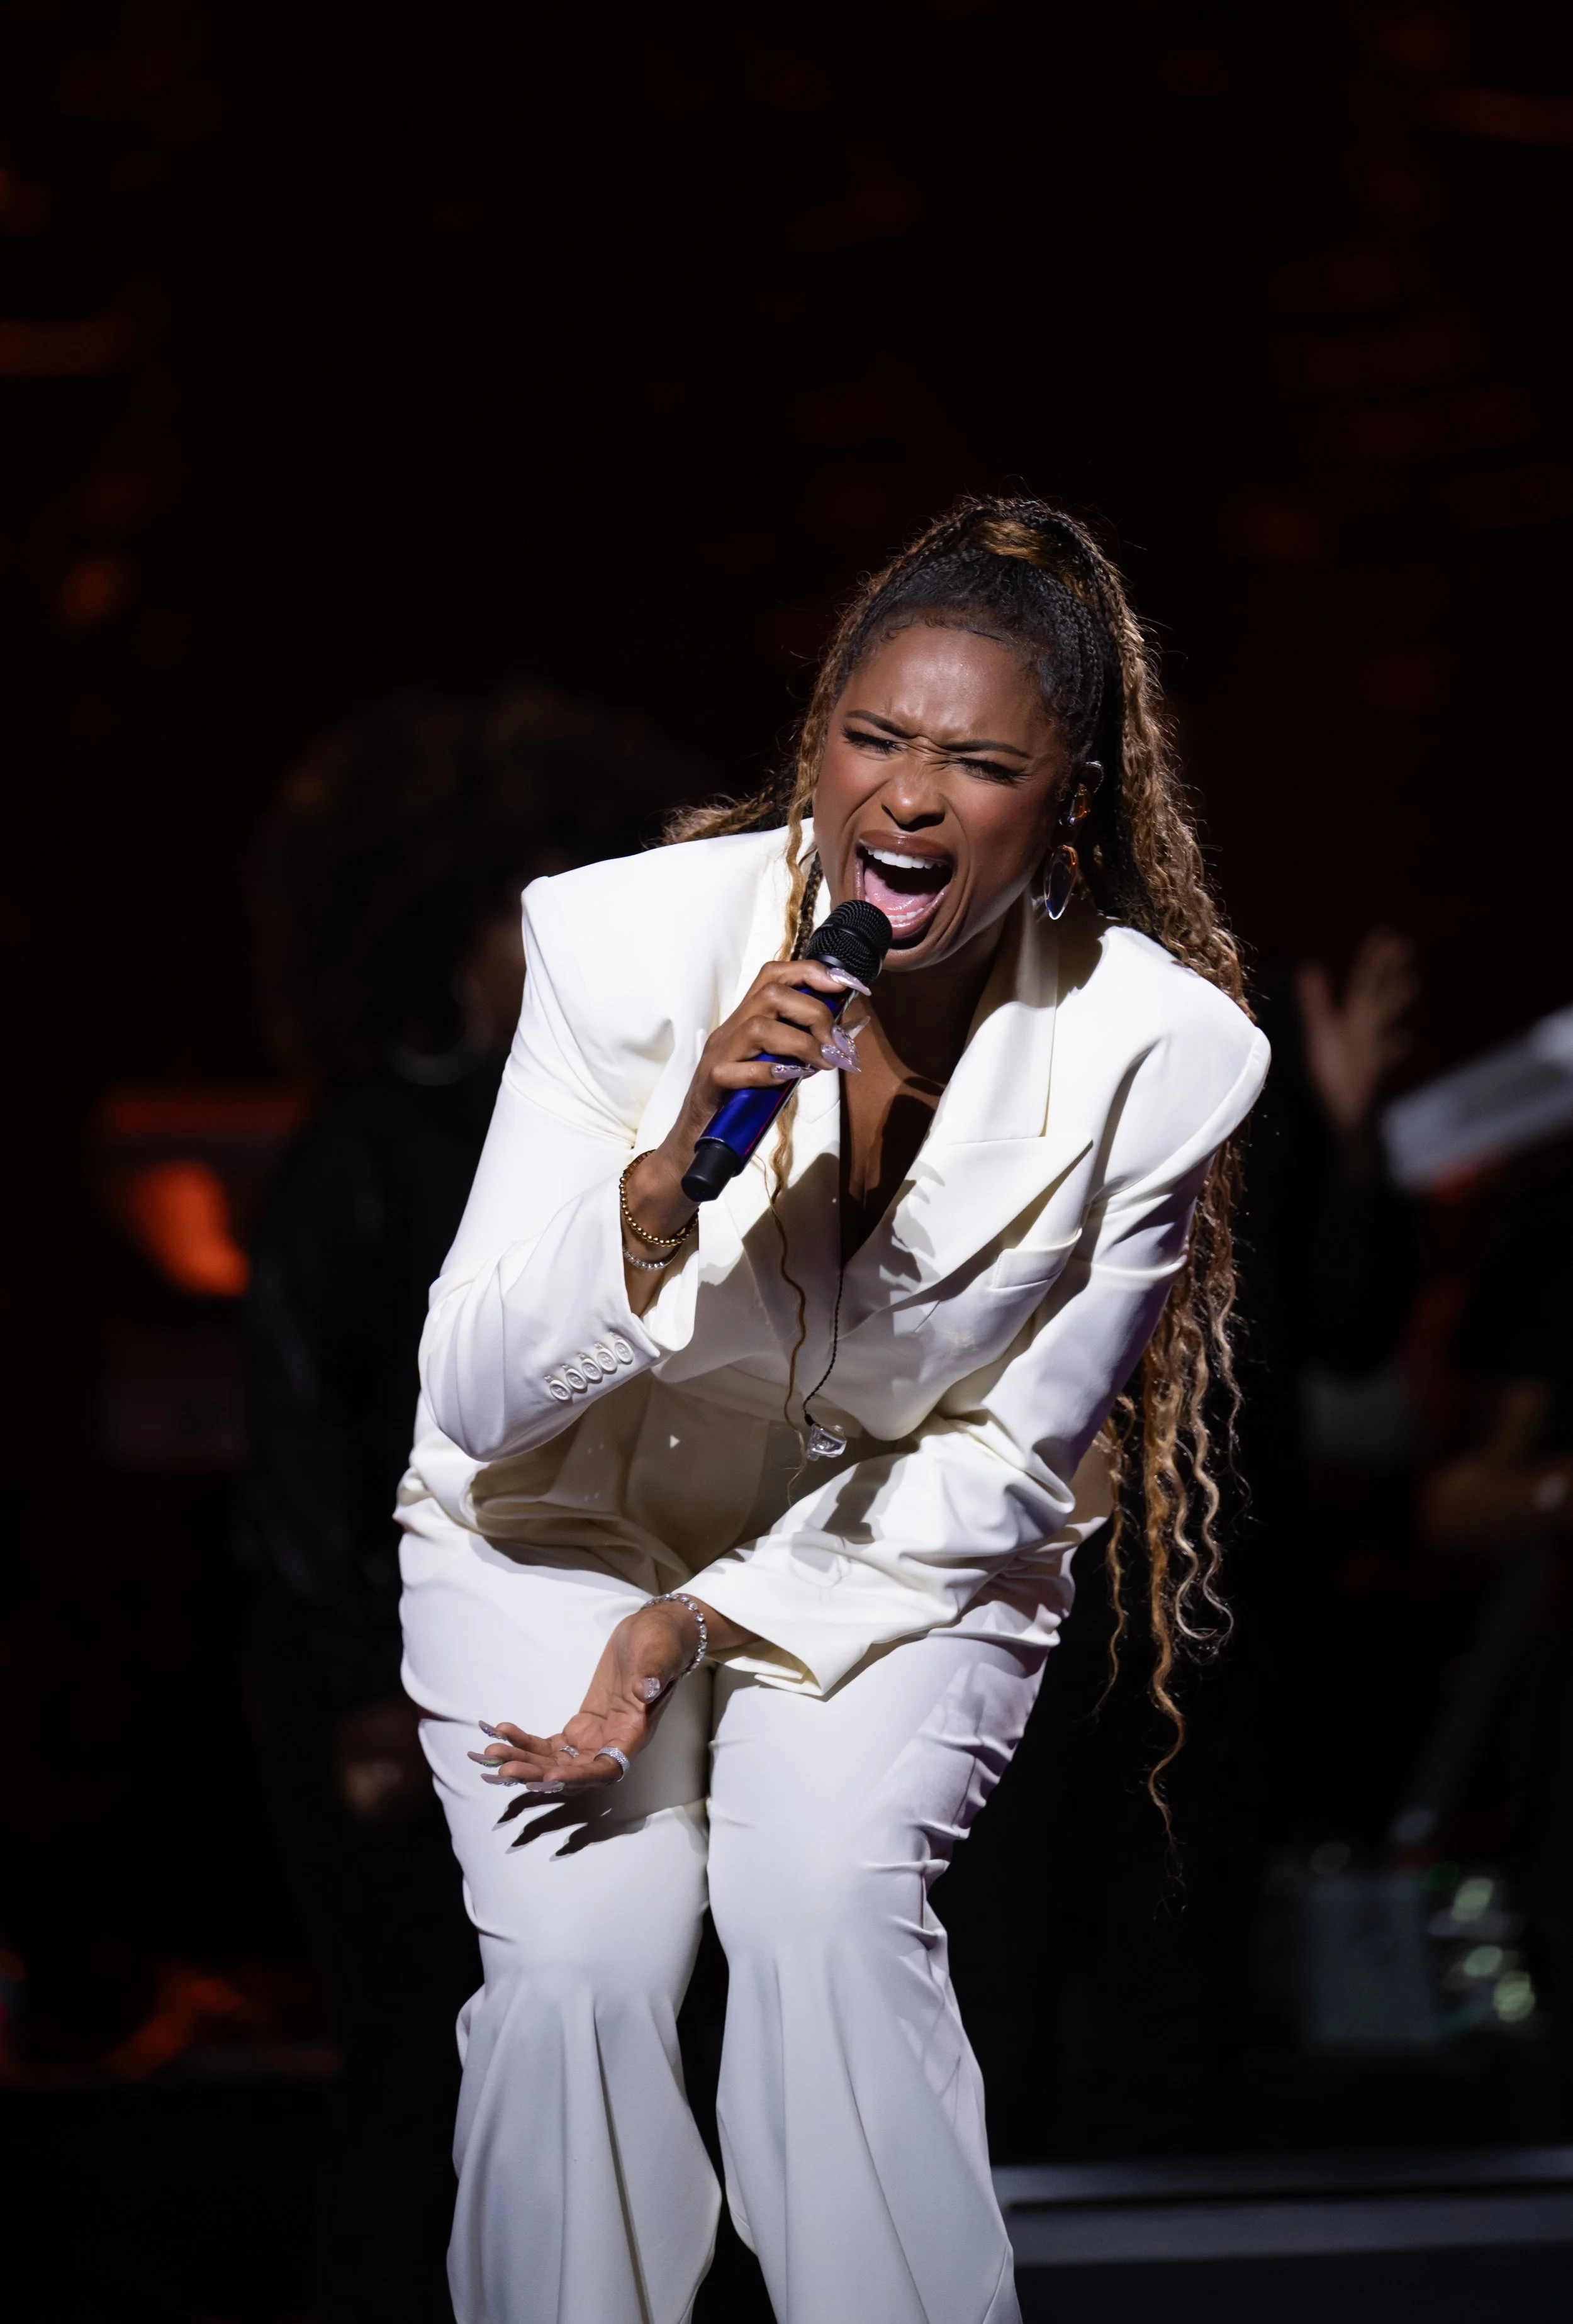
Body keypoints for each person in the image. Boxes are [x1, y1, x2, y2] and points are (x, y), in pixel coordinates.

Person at [398, 497, 1270, 2324]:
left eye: (974, 761)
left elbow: (1011, 1452)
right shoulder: (619, 946)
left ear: (1068, 806)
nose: (909, 798)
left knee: (813, 1915)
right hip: (565, 1511)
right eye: (872, 739)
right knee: (578, 1966)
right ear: (814, 746)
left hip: (892, 1545)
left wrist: (704, 1622)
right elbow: (477, 1388)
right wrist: (658, 1189)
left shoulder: (1164, 1052)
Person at [243, 688, 682, 2323]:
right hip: (393, 1676)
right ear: (448, 940)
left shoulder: (608, 1162)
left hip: (561, 1672)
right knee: (424, 2062)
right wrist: (362, 1686)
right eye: (528, 927)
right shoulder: (363, 1153)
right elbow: (296, 1440)